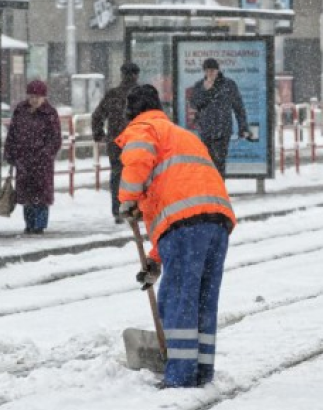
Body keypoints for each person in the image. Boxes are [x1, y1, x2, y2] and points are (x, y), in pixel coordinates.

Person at [116, 85, 236, 388]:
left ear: (131, 113)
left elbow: (138, 158)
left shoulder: (144, 128)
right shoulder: (181, 135)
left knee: (179, 299)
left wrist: (127, 197)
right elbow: (176, 203)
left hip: (187, 225)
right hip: (216, 222)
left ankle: (180, 377)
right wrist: (155, 260)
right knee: (202, 300)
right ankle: (201, 371)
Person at [3, 80, 62, 234]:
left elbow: (55, 138)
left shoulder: (50, 113)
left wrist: (46, 154)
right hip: (23, 160)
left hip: (42, 162)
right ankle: (29, 224)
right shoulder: (20, 110)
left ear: (44, 97)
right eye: (31, 96)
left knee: (41, 195)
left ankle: (39, 225)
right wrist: (10, 153)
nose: (34, 100)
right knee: (26, 195)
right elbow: (13, 134)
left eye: (37, 96)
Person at [91, 62, 140, 224]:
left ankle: (118, 209)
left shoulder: (113, 94)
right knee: (138, 175)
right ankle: (135, 208)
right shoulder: (143, 94)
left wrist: (99, 134)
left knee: (117, 174)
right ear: (136, 75)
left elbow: (97, 115)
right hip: (139, 142)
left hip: (116, 141)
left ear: (121, 75)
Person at [189, 58, 252, 177]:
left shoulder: (228, 84)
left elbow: (238, 107)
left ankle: (219, 188)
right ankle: (210, 189)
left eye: (213, 70)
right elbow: (194, 104)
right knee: (207, 163)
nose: (210, 73)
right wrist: (205, 91)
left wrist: (243, 127)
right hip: (205, 129)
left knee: (219, 162)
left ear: (218, 70)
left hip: (222, 129)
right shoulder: (199, 85)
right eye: (207, 70)